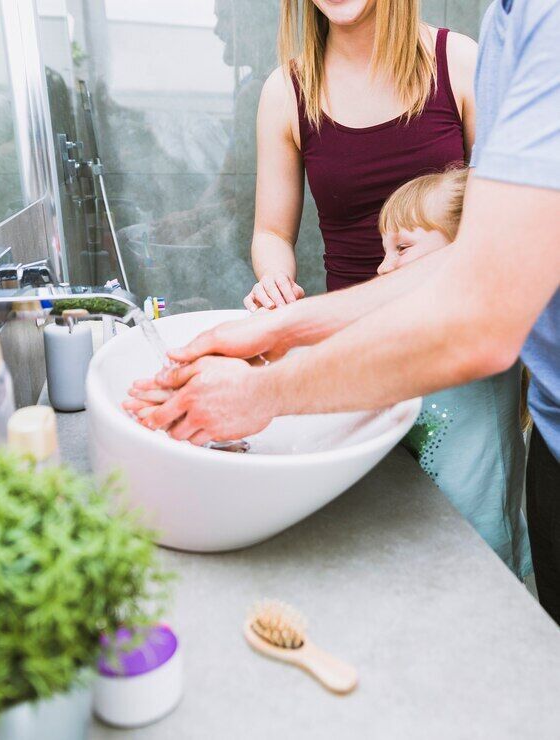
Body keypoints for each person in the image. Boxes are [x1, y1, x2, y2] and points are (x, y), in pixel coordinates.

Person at [127, 1, 560, 624]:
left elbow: (483, 280)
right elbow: (475, 261)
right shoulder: (504, 24)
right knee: (384, 530)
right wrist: (282, 315)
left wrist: (263, 391)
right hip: (371, 361)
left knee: (475, 532)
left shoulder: (469, 55)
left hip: (457, 357)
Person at [242, 0, 477, 310]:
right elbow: (272, 233)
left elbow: (502, 216)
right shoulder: (285, 91)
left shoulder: (460, 61)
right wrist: (275, 280)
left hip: (453, 326)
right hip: (348, 334)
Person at [377, 166, 531, 577]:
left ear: (465, 248)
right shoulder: (410, 331)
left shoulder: (487, 324)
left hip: (481, 540)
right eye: (384, 251)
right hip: (423, 529)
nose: (383, 267)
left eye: (402, 248)